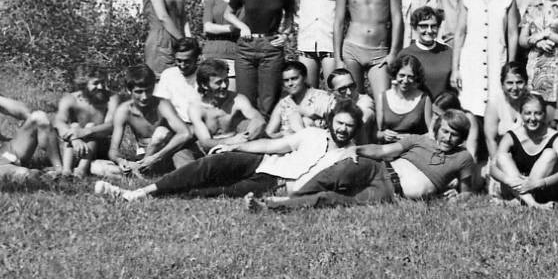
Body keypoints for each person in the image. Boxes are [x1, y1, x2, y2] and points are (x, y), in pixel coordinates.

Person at [96, 100, 361, 201]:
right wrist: (234, 145)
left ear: (355, 128)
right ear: (331, 120)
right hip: (263, 161)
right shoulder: (312, 134)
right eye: (340, 122)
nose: (343, 129)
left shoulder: (350, 156)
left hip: (274, 183)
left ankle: (157, 195)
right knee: (207, 166)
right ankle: (136, 194)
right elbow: (269, 144)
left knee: (216, 193)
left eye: (349, 126)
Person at [255, 108, 476, 209]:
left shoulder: (463, 158)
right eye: (445, 131)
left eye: (454, 134)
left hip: (389, 193)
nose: (447, 137)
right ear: (437, 129)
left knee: (333, 199)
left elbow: (468, 193)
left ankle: (277, 206)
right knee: (341, 170)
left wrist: (459, 196)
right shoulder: (418, 140)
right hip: (379, 169)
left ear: (461, 137)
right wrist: (358, 150)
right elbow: (382, 152)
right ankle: (293, 195)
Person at [333, 0, 403, 120]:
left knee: (383, 104)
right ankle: (353, 146)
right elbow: (339, 22)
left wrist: (394, 52)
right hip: (352, 50)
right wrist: (338, 58)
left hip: (379, 52)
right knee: (351, 103)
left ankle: (378, 141)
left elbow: (397, 18)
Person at [225, 0, 297, 114]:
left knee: (269, 98)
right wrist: (242, 26)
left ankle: (267, 134)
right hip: (246, 47)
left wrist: (285, 35)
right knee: (245, 98)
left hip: (271, 47)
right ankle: (247, 134)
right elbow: (227, 14)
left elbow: (289, 17)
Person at [452, 0, 519, 118]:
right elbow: (459, 34)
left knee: (498, 107)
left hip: (498, 60)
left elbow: (512, 34)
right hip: (471, 62)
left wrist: (511, 66)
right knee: (470, 109)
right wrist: (455, 69)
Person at [109, 65, 197, 176]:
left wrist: (156, 157)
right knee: (102, 169)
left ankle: (142, 170)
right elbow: (113, 150)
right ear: (128, 90)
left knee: (161, 133)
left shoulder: (162, 104)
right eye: (139, 92)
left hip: (167, 151)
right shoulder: (123, 110)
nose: (145, 96)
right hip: (144, 154)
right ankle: (141, 169)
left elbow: (185, 133)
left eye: (148, 90)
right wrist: (121, 161)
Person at [491, 94, 558, 208]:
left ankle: (521, 203)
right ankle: (533, 204)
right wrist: (508, 180)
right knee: (502, 157)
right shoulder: (511, 136)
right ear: (521, 114)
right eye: (528, 113)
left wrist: (538, 183)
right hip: (515, 188)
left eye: (537, 113)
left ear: (544, 114)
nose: (532, 118)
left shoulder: (555, 137)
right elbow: (493, 168)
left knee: (550, 154)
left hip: (543, 190)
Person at [53, 66, 122, 176]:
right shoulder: (70, 99)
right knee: (74, 126)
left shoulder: (111, 98)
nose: (100, 87)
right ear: (83, 84)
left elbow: (112, 125)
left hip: (100, 147)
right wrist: (74, 137)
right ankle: (67, 171)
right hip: (73, 148)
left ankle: (81, 169)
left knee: (90, 126)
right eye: (95, 83)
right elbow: (58, 122)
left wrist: (87, 131)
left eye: (103, 83)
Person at [188, 59, 267, 153]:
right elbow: (205, 142)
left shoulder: (238, 99)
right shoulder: (196, 108)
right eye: (218, 82)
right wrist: (230, 141)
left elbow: (259, 120)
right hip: (213, 152)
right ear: (204, 85)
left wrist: (245, 137)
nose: (225, 85)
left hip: (238, 147)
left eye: (226, 80)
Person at [201, 0, 243, 92]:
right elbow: (207, 27)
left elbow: (242, 27)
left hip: (233, 55)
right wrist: (230, 28)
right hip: (211, 54)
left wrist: (218, 28)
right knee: (209, 99)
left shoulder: (243, 0)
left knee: (230, 98)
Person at [265, 60, 336, 138]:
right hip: (291, 145)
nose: (290, 83)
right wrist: (283, 134)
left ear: (305, 78)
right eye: (286, 80)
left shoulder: (322, 97)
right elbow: (269, 133)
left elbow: (335, 123)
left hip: (318, 142)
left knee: (306, 121)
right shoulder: (284, 104)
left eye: (294, 78)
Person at [397, 6, 453, 98]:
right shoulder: (405, 54)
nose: (429, 30)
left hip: (443, 108)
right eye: (424, 26)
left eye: (433, 26)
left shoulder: (448, 52)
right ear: (415, 27)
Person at [482, 62, 533, 162]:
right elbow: (490, 140)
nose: (515, 88)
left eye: (519, 82)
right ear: (502, 84)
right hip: (502, 158)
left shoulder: (532, 100)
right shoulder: (494, 103)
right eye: (509, 83)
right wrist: (498, 166)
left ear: (526, 83)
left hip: (529, 156)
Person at [378, 55, 433, 142]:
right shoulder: (383, 97)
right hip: (388, 148)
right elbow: (376, 133)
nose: (405, 80)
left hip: (414, 148)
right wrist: (384, 134)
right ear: (395, 74)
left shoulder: (424, 99)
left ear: (416, 78)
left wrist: (413, 138)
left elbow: (432, 133)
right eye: (402, 75)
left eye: (410, 77)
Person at [153, 37, 203, 125]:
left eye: (187, 61)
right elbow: (161, 104)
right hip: (175, 122)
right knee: (159, 137)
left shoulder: (204, 75)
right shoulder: (168, 74)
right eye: (179, 61)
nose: (182, 65)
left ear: (196, 59)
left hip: (198, 123)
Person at [327, 68, 376, 143]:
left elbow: (362, 120)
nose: (349, 92)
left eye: (351, 86)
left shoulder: (365, 101)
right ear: (332, 92)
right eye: (342, 89)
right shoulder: (331, 102)